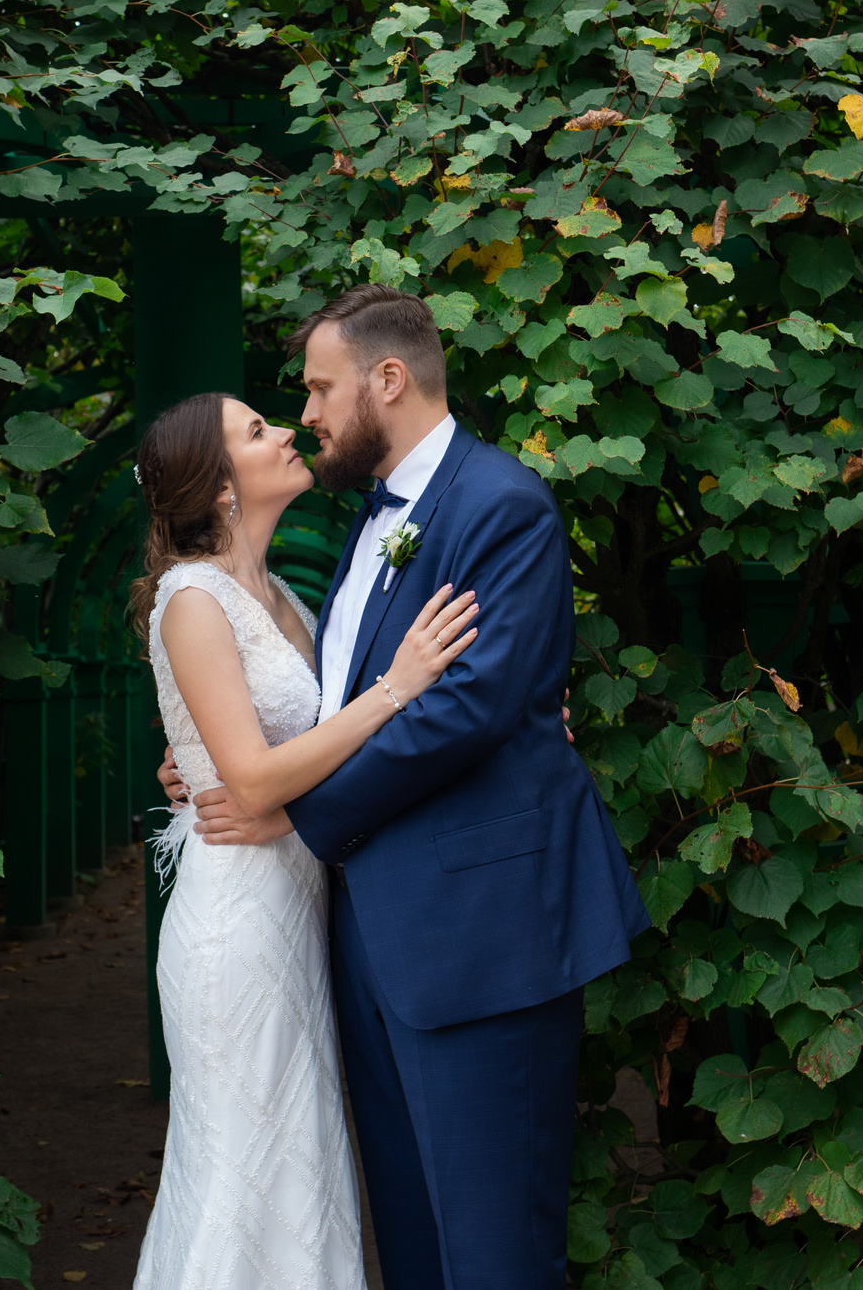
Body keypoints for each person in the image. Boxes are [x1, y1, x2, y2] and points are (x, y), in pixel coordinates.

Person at [158, 285, 650, 1290]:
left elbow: (462, 710)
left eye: (319, 389)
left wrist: (288, 809)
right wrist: (204, 766)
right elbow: (326, 706)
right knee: (418, 1250)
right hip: (364, 945)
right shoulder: (369, 529)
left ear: (388, 379)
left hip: (479, 938)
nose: (308, 414)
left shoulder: (499, 507)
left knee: (495, 1256)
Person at [129, 388, 482, 1290]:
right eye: (256, 431)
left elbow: (272, 753)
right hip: (237, 926)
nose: (286, 429)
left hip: (297, 910)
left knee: (302, 1175)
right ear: (218, 487)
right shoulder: (191, 598)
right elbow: (249, 780)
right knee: (240, 1179)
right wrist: (397, 685)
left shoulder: (280, 592)